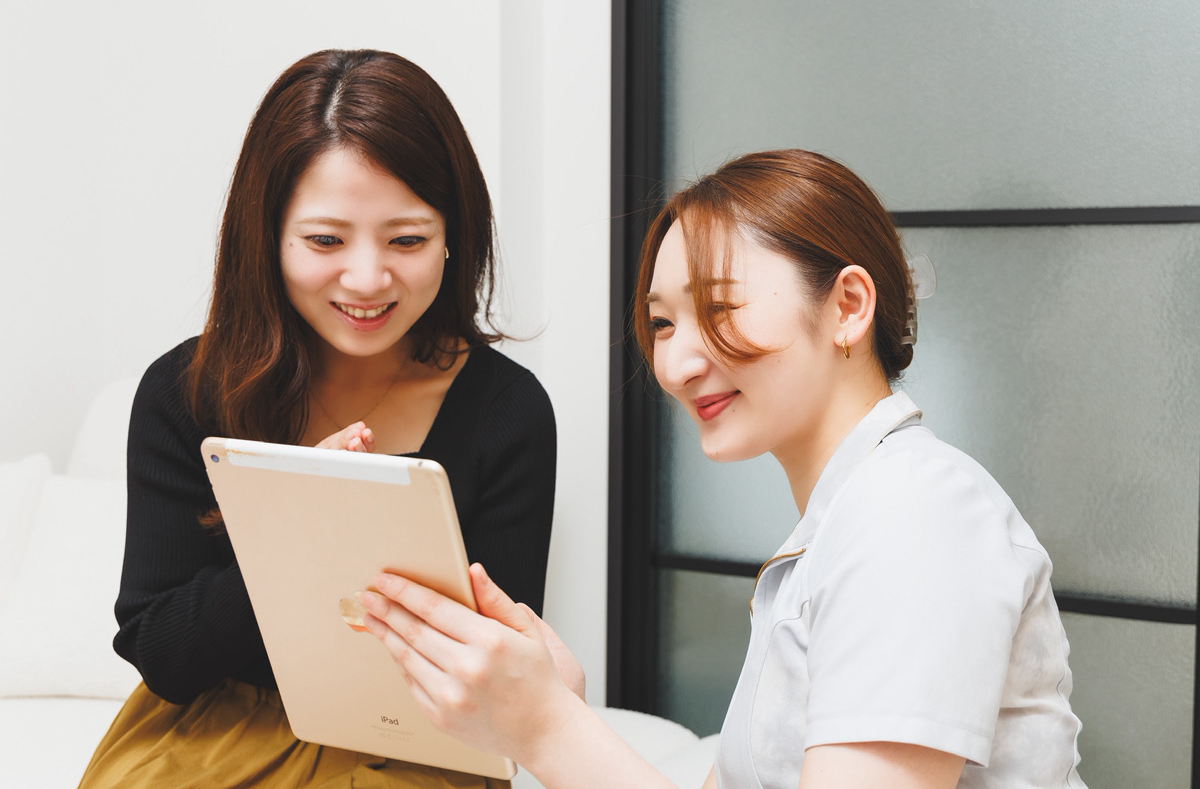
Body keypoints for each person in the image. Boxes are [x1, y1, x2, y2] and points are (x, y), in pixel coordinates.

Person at [357, 149, 1088, 788]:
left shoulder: (915, 512)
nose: (675, 363)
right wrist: (552, 710)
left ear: (849, 306)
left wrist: (546, 727)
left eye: (718, 308)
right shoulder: (836, 527)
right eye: (664, 322)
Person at [79, 49, 556, 789]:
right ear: (265, 237)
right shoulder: (185, 390)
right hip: (213, 733)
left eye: (406, 240)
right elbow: (163, 655)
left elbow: (499, 674)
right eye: (326, 241)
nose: (367, 280)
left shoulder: (508, 412)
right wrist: (296, 523)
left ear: (454, 236)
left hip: (422, 740)